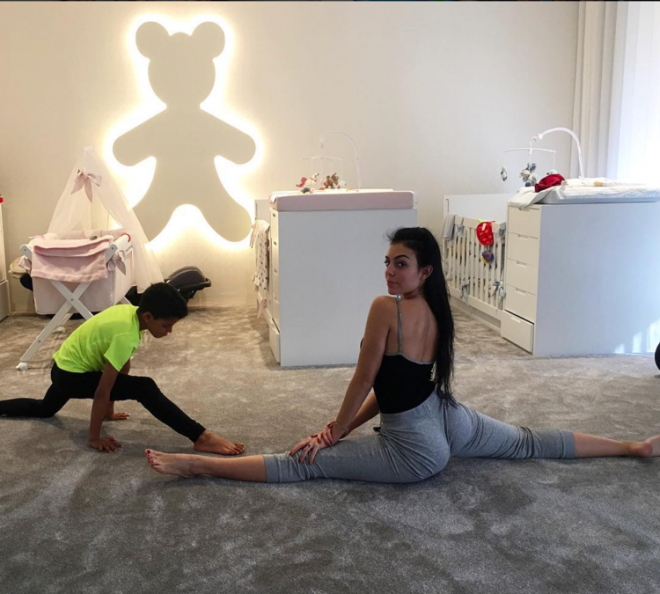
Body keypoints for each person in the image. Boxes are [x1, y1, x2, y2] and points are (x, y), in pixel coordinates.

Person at [145, 228, 660, 480]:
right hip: (445, 416)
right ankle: (630, 447)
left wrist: (333, 433)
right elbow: (397, 390)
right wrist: (341, 427)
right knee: (525, 441)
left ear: (424, 271)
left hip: (417, 451)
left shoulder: (384, 308)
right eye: (388, 262)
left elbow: (364, 379)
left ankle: (197, 466)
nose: (390, 272)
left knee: (305, 463)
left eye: (401, 264)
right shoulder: (439, 310)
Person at [0, 282, 244, 455]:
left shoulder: (128, 312)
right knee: (145, 387)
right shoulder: (126, 335)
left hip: (62, 367)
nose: (169, 332)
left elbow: (120, 366)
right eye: (166, 326)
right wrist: (94, 437)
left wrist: (110, 411)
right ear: (148, 317)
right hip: (71, 376)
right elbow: (102, 390)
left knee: (44, 409)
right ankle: (201, 437)